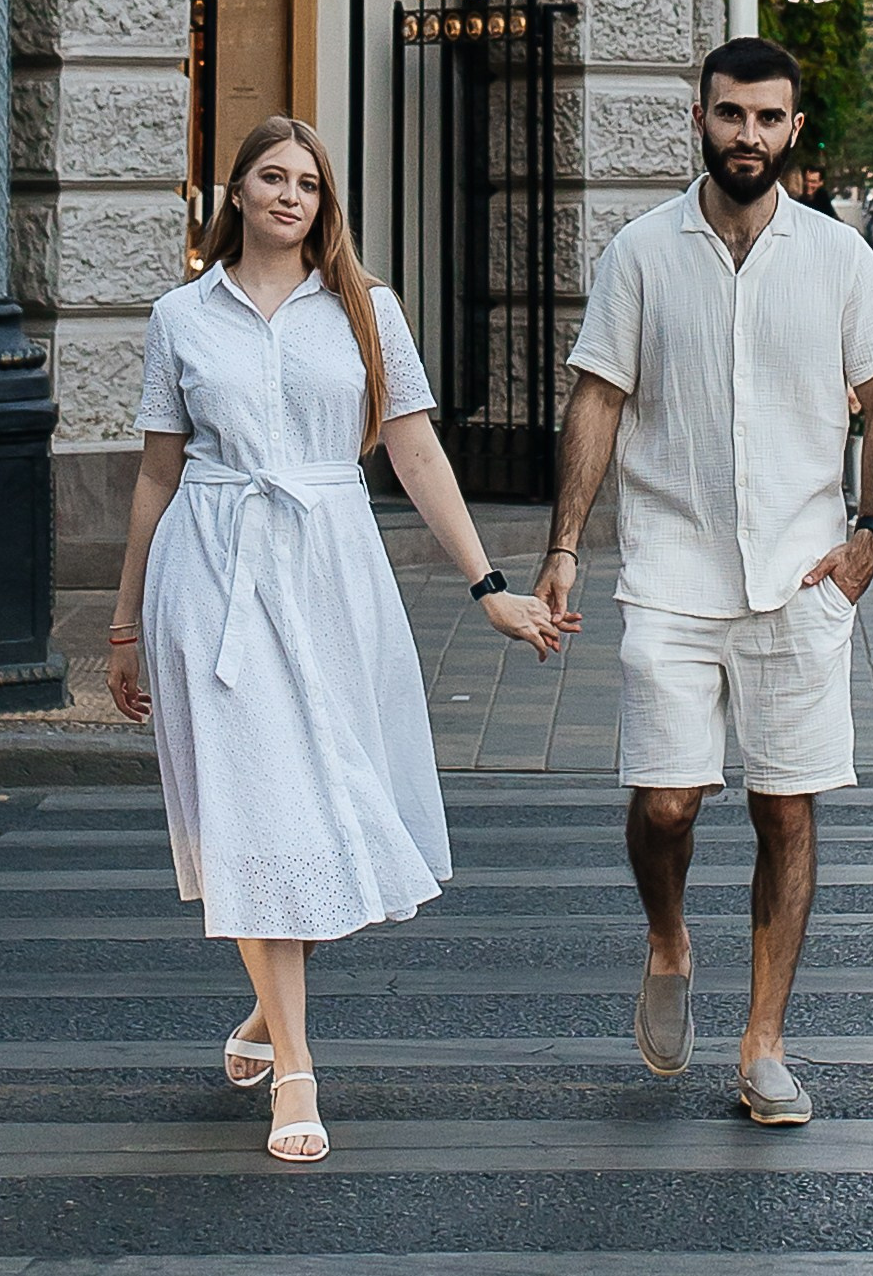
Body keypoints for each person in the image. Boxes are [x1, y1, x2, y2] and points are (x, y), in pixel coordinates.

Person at [106, 114, 557, 1166]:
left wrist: (488, 584)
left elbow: (416, 450)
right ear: (235, 191)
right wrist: (123, 622)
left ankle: (269, 1012)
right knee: (256, 811)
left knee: (331, 808)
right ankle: (298, 1070)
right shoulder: (181, 315)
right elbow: (157, 472)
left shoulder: (365, 307)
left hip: (329, 570)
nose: (289, 195)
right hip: (211, 573)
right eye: (271, 176)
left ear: (324, 203)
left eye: (307, 183)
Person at [532, 34, 873, 1128]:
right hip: (671, 569)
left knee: (784, 808)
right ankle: (667, 939)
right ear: (698, 116)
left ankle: (763, 1044)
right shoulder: (641, 251)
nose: (748, 134)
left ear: (794, 128)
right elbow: (597, 398)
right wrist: (564, 545)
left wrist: (868, 538)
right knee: (664, 800)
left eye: (767, 116)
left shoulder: (837, 257)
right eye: (730, 113)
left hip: (799, 576)